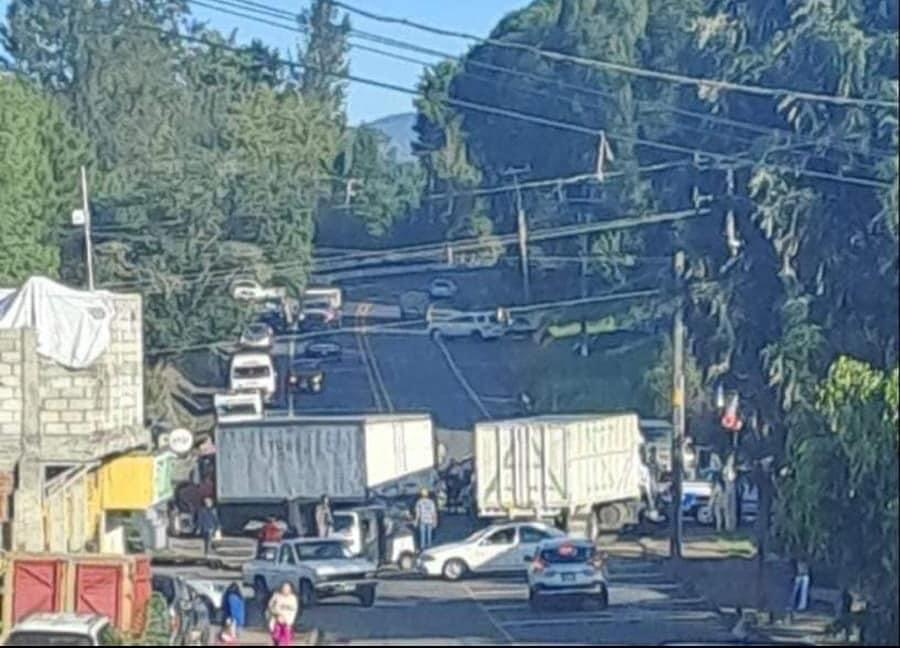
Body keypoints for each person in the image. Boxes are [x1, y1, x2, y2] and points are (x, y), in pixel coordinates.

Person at [267, 582, 300, 646]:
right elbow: (270, 606)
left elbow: (294, 611)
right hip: (276, 619)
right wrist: (277, 615)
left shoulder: (293, 598)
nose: (285, 590)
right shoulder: (276, 596)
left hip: (287, 622)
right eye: (284, 588)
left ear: (291, 590)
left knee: (286, 638)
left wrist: (287, 621)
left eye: (288, 589)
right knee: (276, 636)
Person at [723, 453, 739, 532]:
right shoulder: (726, 469)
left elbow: (732, 478)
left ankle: (732, 526)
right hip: (727, 488)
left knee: (732, 508)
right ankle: (727, 526)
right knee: (727, 508)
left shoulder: (733, 470)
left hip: (731, 489)